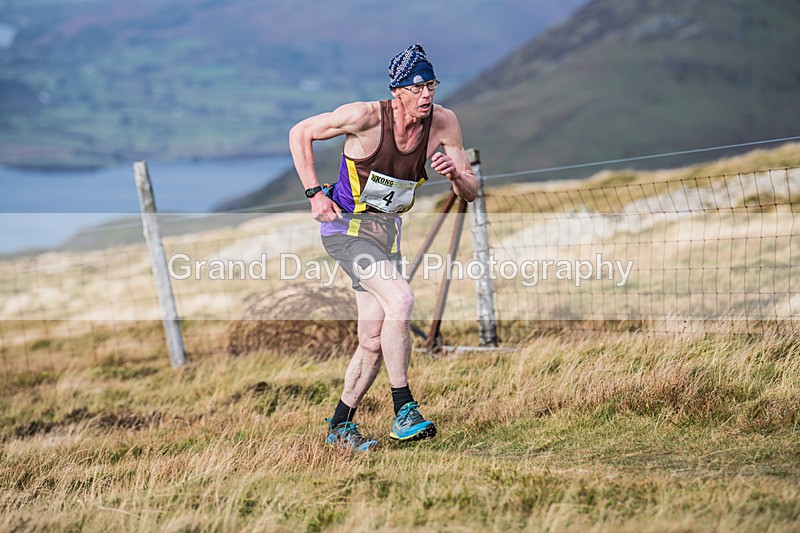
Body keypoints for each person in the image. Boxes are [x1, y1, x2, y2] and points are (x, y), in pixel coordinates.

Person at [289, 44, 478, 452]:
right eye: (417, 87)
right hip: (345, 233)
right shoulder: (365, 117)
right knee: (402, 297)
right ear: (398, 92)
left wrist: (455, 177)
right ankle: (404, 408)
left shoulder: (444, 123)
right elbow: (299, 132)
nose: (427, 94)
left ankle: (340, 426)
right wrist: (313, 196)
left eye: (431, 84)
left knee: (373, 341)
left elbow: (472, 191)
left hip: (385, 237)